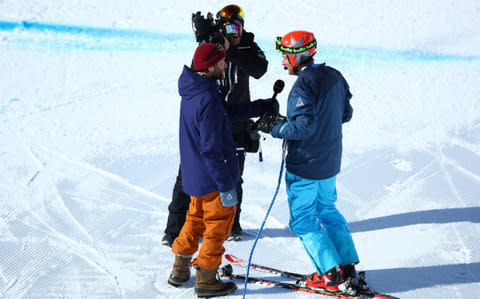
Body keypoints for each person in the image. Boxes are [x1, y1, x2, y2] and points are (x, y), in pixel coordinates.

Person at [257, 31, 364, 295]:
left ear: (296, 56)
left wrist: (277, 128)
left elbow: (303, 128)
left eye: (284, 55)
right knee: (327, 209)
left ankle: (330, 274)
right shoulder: (335, 75)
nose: (283, 61)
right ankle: (346, 267)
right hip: (329, 161)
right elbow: (346, 114)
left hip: (306, 165)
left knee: (304, 219)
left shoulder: (304, 85)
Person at [167, 43, 277, 297]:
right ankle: (206, 279)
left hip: (196, 177)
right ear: (209, 66)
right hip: (213, 179)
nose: (226, 66)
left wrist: (260, 106)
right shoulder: (207, 99)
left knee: (194, 220)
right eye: (222, 62)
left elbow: (225, 112)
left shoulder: (196, 91)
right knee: (218, 227)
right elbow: (211, 149)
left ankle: (179, 269)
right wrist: (226, 184)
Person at [162, 4, 268, 246]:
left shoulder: (248, 45)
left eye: (238, 26)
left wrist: (230, 49)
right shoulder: (210, 47)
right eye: (229, 27)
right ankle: (174, 230)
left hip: (237, 119)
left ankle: (232, 224)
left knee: (234, 175)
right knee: (188, 176)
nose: (235, 31)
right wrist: (210, 41)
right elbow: (199, 67)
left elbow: (260, 69)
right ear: (221, 27)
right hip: (209, 117)